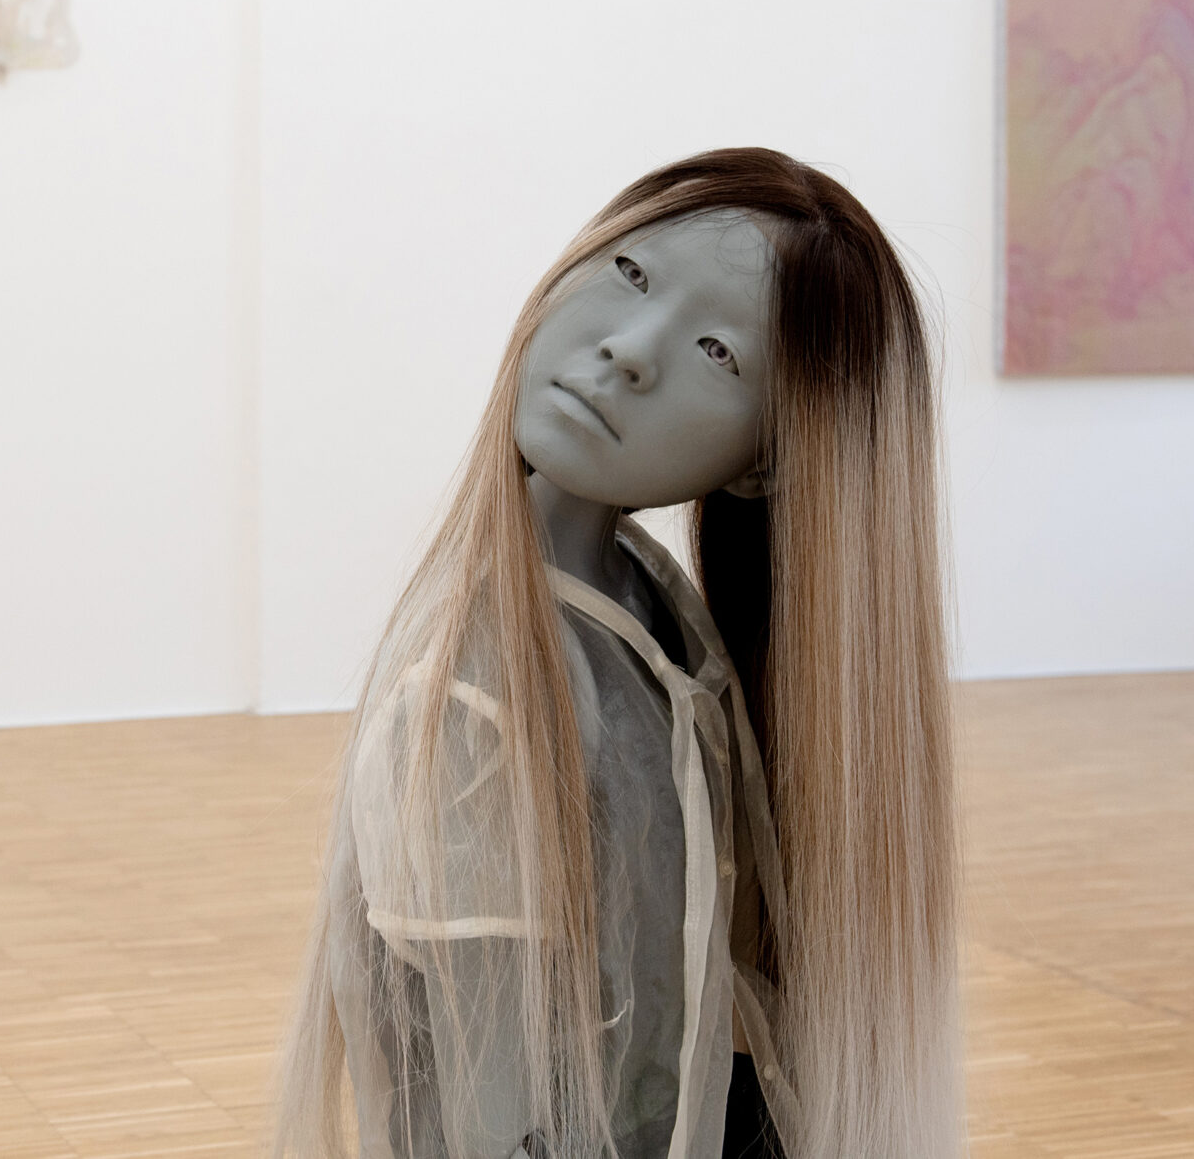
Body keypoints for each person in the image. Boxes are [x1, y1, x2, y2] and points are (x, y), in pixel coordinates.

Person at [274, 148, 960, 1159]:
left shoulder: (651, 603)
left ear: (767, 462)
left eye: (718, 352)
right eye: (631, 273)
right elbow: (497, 1108)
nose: (630, 351)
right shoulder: (474, 693)